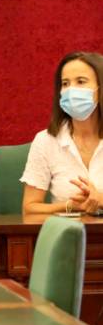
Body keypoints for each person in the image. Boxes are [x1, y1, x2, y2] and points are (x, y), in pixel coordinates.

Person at [22, 51, 103, 214]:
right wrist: (70, 206)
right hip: (68, 229)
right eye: (65, 83)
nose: (71, 90)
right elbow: (29, 208)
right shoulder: (45, 140)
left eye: (81, 81)